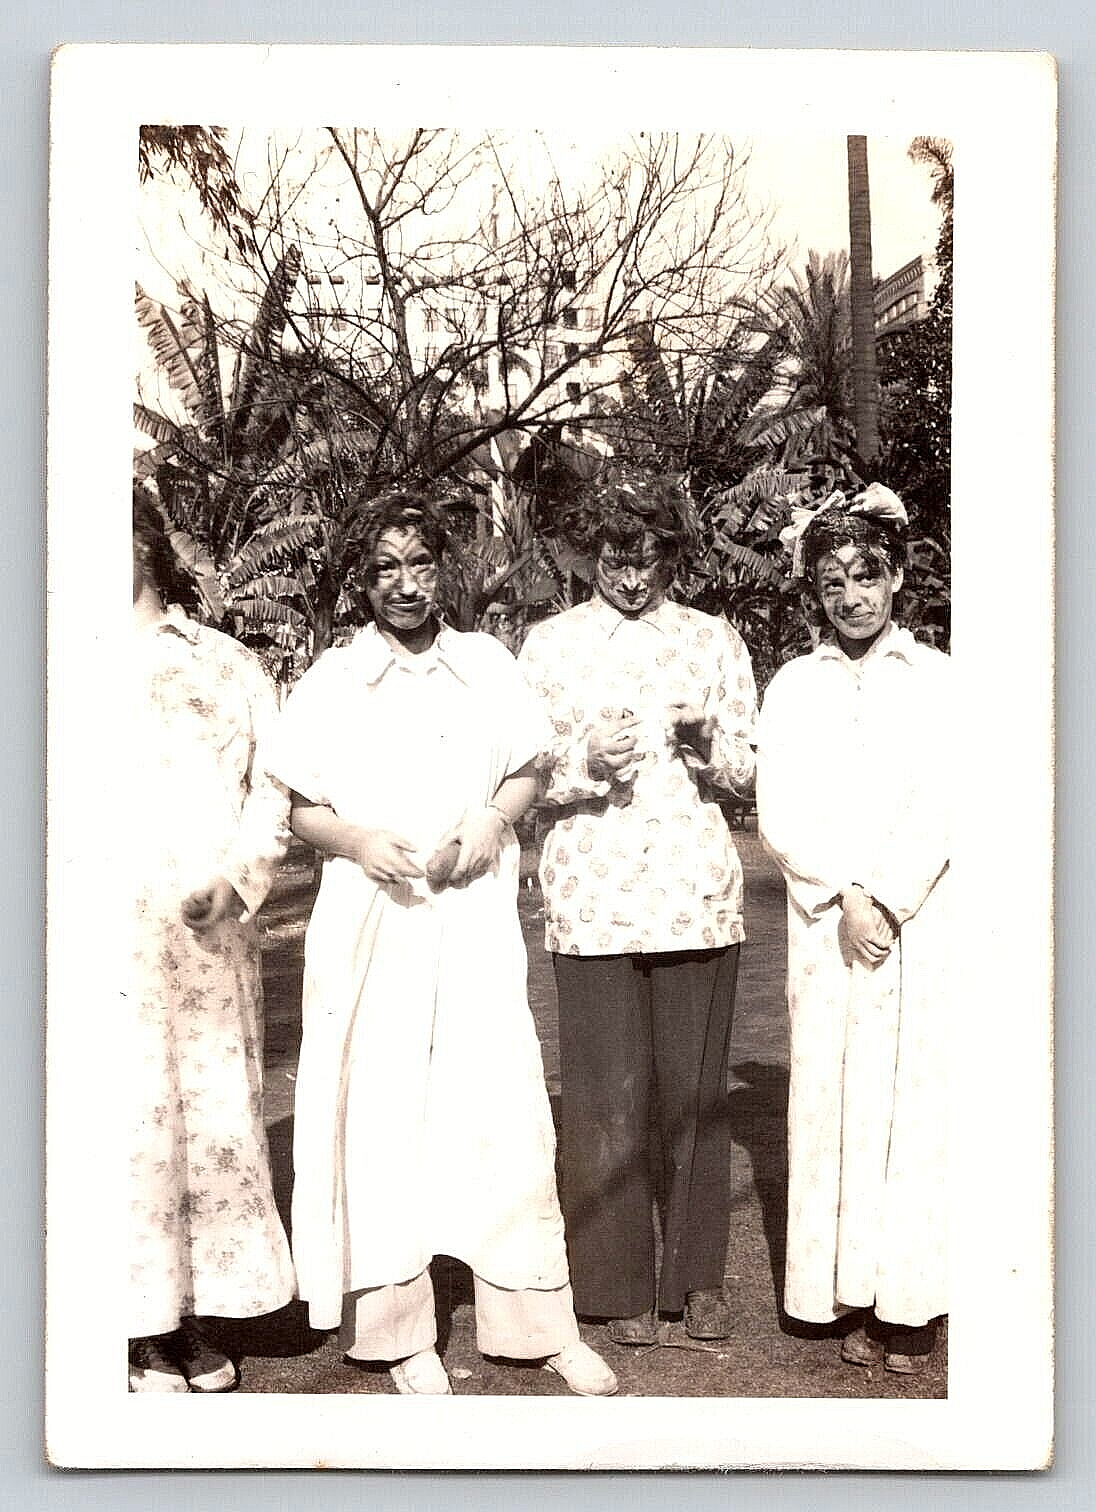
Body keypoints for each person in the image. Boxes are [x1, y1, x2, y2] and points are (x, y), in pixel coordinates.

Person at [264, 489, 617, 1398]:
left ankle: (534, 1320)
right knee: (384, 1113)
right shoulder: (334, 679)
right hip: (374, 913)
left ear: (443, 570)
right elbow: (300, 803)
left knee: (497, 1104)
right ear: (362, 580)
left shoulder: (487, 663)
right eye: (386, 568)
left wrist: (491, 821)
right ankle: (395, 1331)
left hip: (469, 911)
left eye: (421, 564)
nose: (406, 585)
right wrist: (357, 841)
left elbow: (528, 769)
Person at [517, 479, 757, 1345]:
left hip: (696, 894)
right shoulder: (547, 648)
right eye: (615, 560)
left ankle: (697, 1281)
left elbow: (750, 772)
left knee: (694, 1095)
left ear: (671, 555)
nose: (630, 577)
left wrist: (709, 750)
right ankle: (616, 1286)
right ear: (590, 556)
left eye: (647, 558)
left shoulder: (714, 641)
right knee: (602, 1096)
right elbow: (522, 779)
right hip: (592, 899)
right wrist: (583, 758)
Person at [755, 483, 950, 1375]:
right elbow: (780, 807)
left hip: (917, 918)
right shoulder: (795, 685)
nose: (852, 597)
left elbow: (948, 800)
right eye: (832, 583)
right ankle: (830, 1293)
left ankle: (906, 1305)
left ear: (899, 576)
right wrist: (841, 893)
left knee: (907, 1103)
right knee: (833, 1098)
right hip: (827, 921)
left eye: (867, 577)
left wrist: (890, 895)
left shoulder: (941, 681)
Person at [129, 491, 296, 1393]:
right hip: (91, 942)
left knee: (205, 1114)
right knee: (114, 1123)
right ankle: (131, 1327)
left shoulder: (226, 664)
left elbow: (275, 786)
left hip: (207, 938)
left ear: (149, 546)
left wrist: (237, 878)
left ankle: (192, 1317)